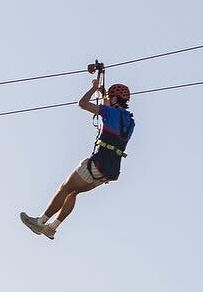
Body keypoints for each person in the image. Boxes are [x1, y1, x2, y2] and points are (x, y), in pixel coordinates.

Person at [20, 66, 135, 240]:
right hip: (110, 171)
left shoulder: (109, 112)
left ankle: (40, 222)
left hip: (97, 164)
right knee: (74, 193)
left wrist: (93, 89)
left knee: (65, 188)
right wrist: (102, 92)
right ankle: (52, 228)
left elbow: (82, 104)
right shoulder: (129, 121)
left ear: (113, 98)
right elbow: (109, 111)